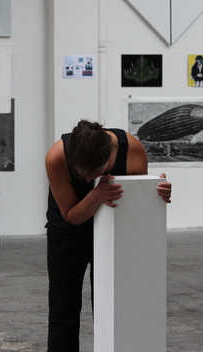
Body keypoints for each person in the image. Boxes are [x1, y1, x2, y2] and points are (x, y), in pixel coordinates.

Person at [44, 120, 172, 352]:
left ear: (108, 157)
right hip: (68, 231)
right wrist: (96, 194)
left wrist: (155, 192)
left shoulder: (131, 150)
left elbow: (136, 202)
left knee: (111, 301)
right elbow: (71, 215)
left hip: (115, 227)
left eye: (93, 174)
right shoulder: (56, 157)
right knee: (64, 306)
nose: (86, 180)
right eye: (80, 174)